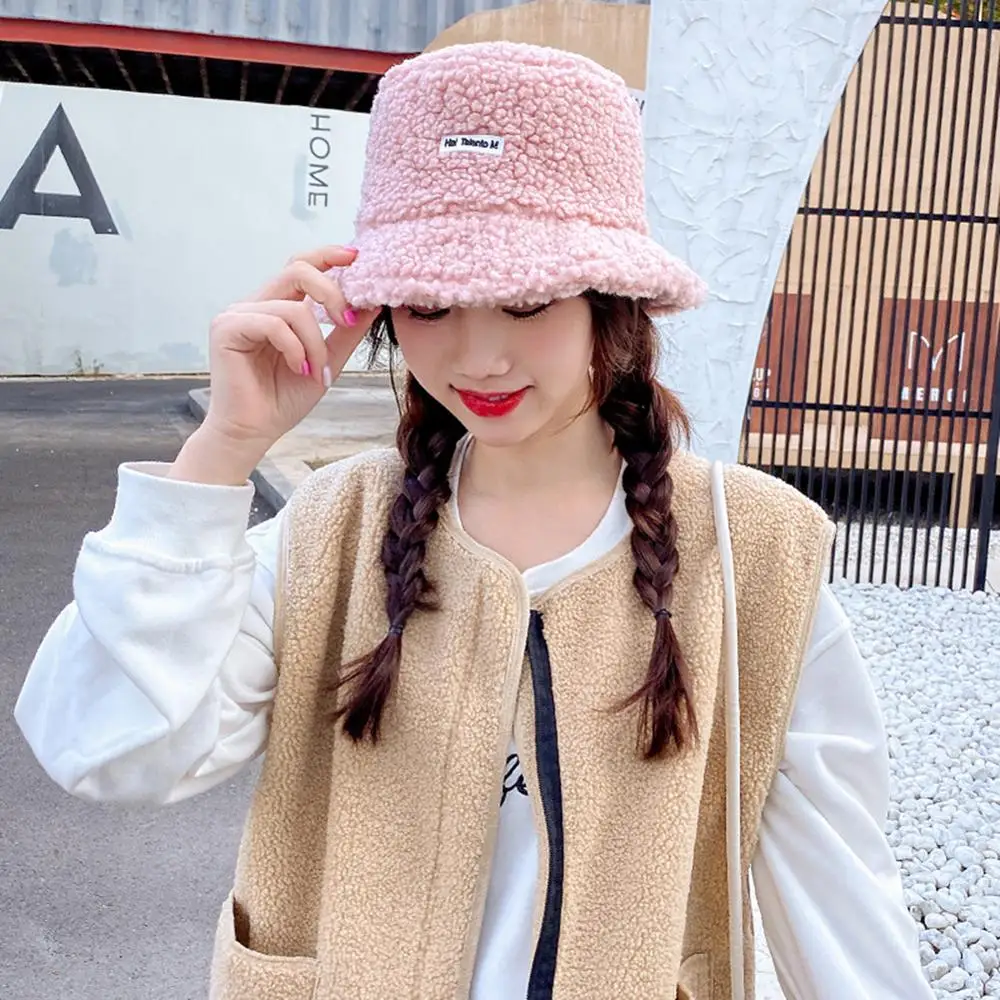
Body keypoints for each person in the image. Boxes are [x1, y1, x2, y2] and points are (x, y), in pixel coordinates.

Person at [15, 41, 932, 1000]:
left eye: (528, 301)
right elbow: (110, 748)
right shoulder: (333, 534)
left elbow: (842, 915)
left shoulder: (755, 557)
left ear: (614, 305)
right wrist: (221, 451)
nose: (479, 356)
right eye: (430, 303)